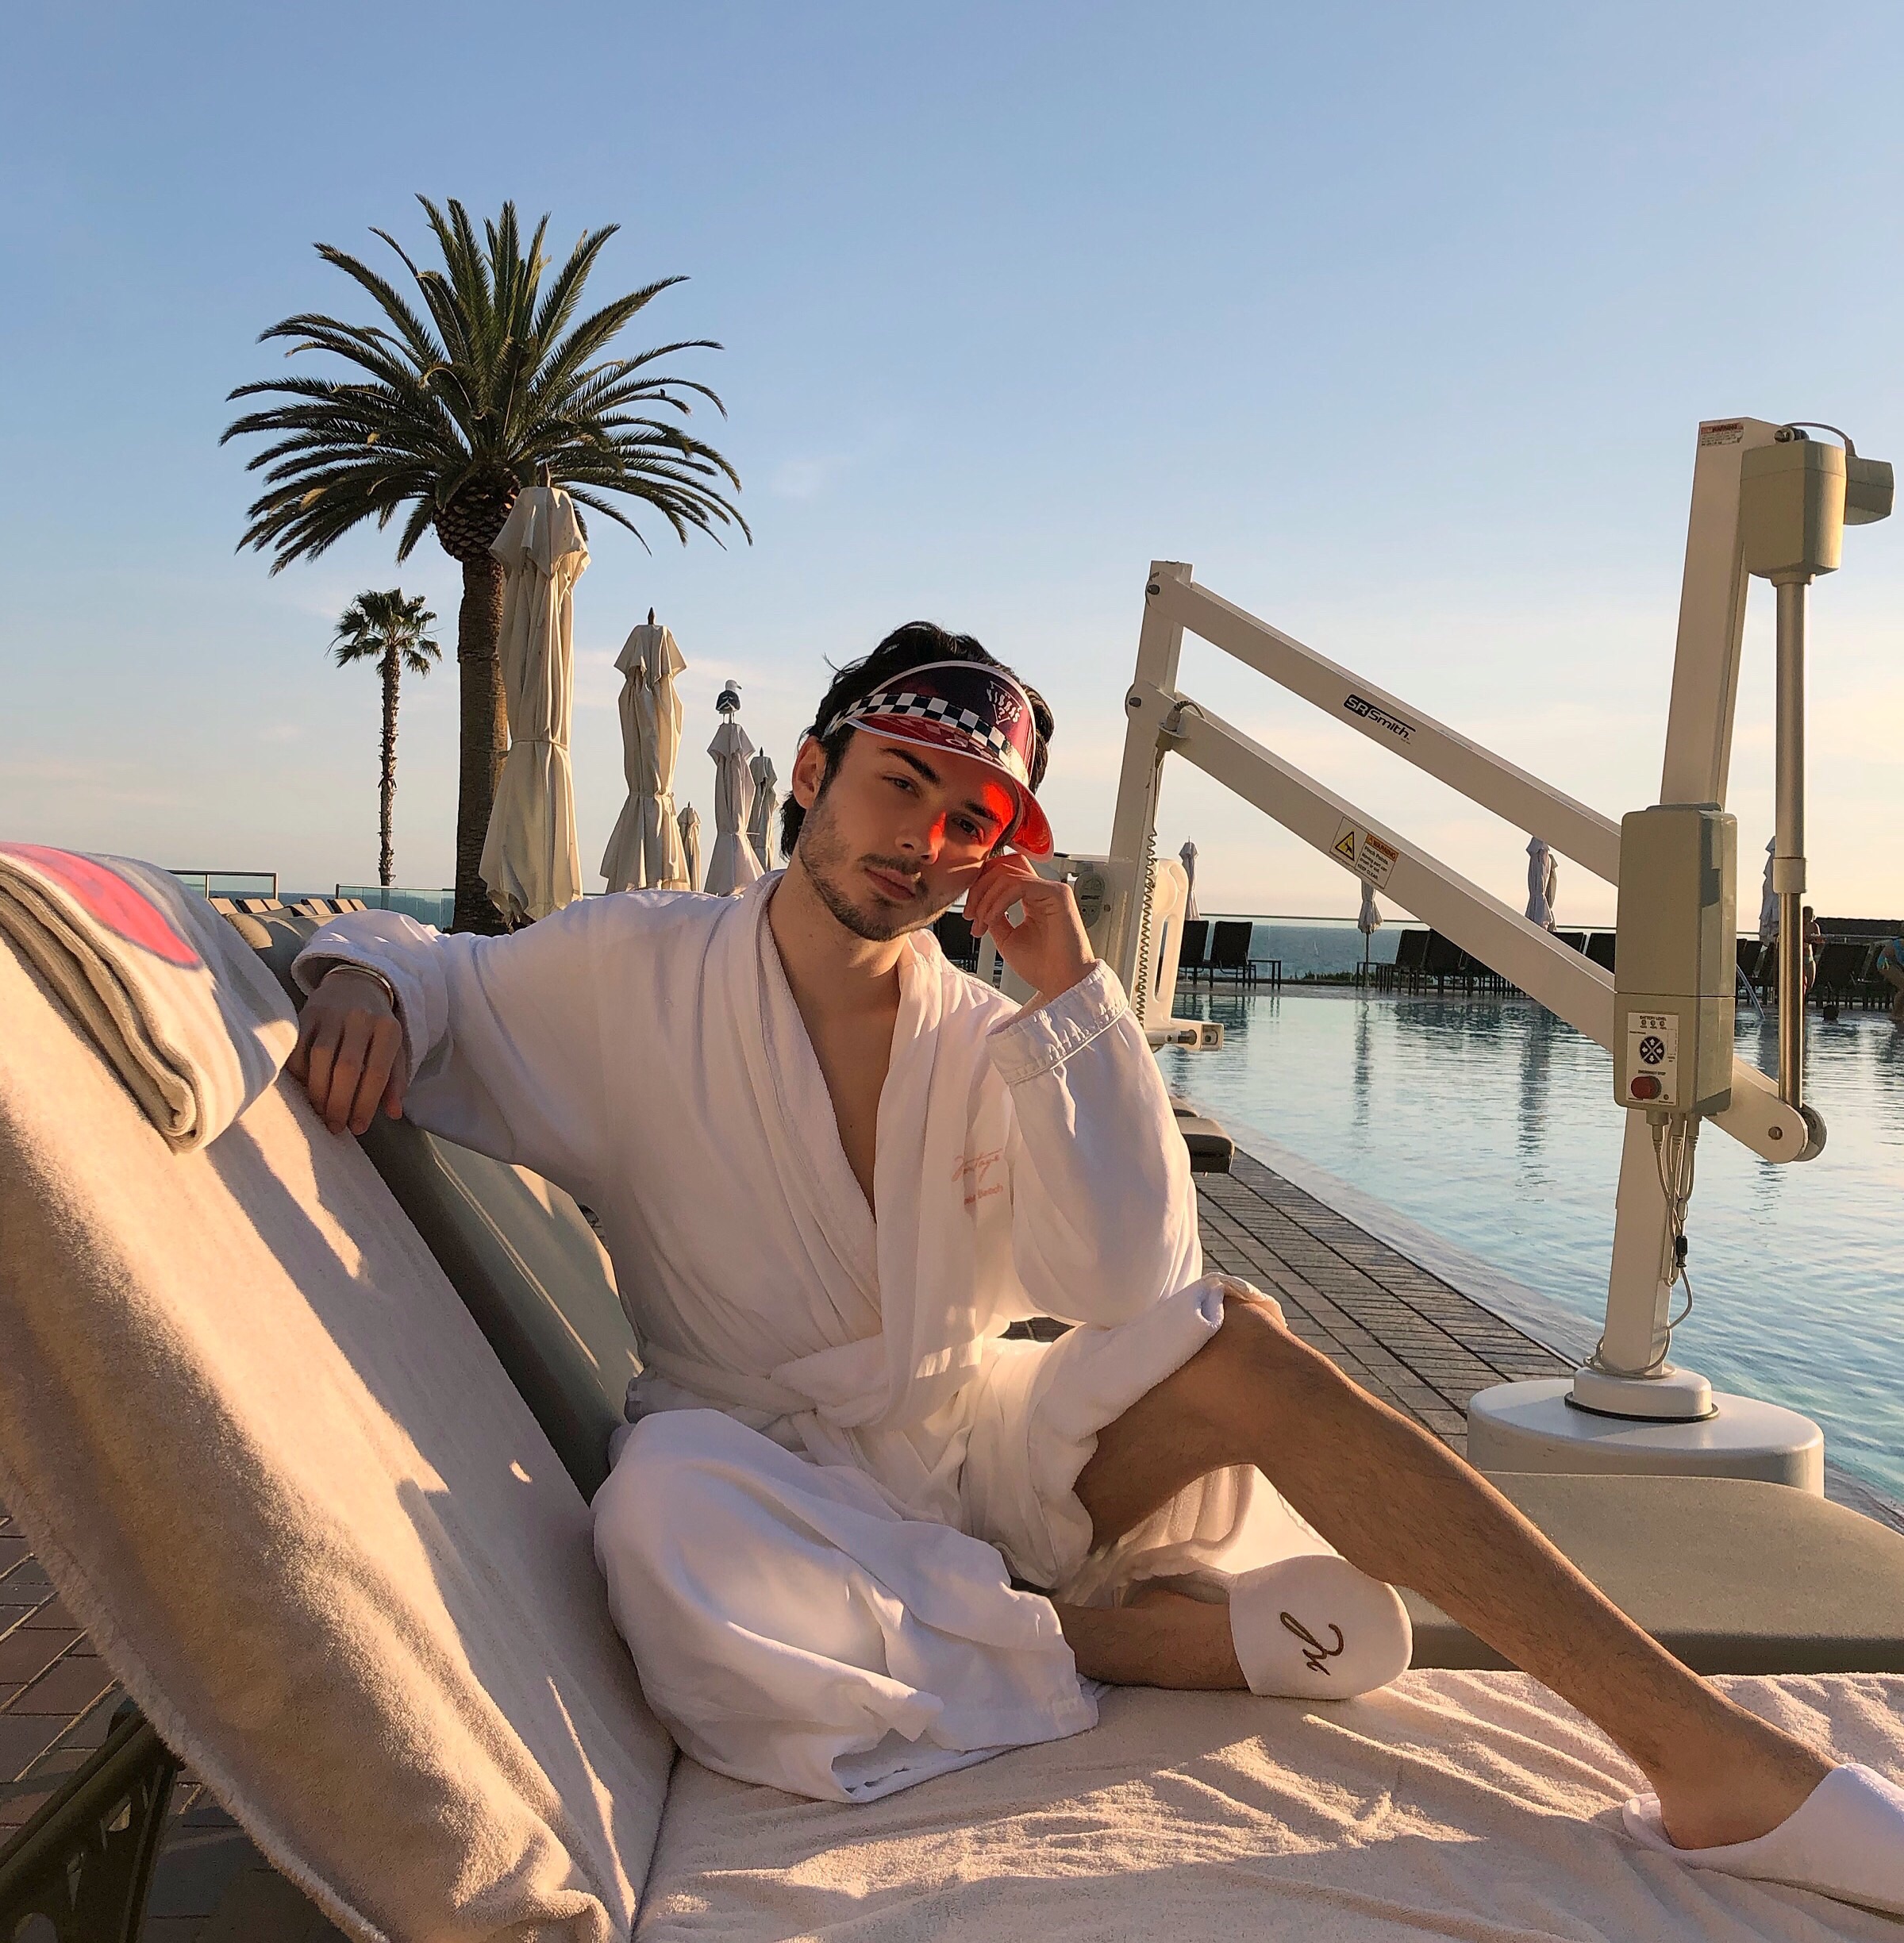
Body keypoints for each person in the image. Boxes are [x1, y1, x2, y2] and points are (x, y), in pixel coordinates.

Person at [287, 622, 1863, 1877]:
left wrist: (1073, 997)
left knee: (1241, 1337)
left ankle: (1705, 1754)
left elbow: (1128, 1285)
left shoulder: (994, 1037)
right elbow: (438, 969)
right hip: (763, 1473)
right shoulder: (639, 968)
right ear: (814, 773)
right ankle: (1115, 1643)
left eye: (967, 821)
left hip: (971, 1450)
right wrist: (362, 982)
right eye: (897, 783)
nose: (920, 839)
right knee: (653, 1522)